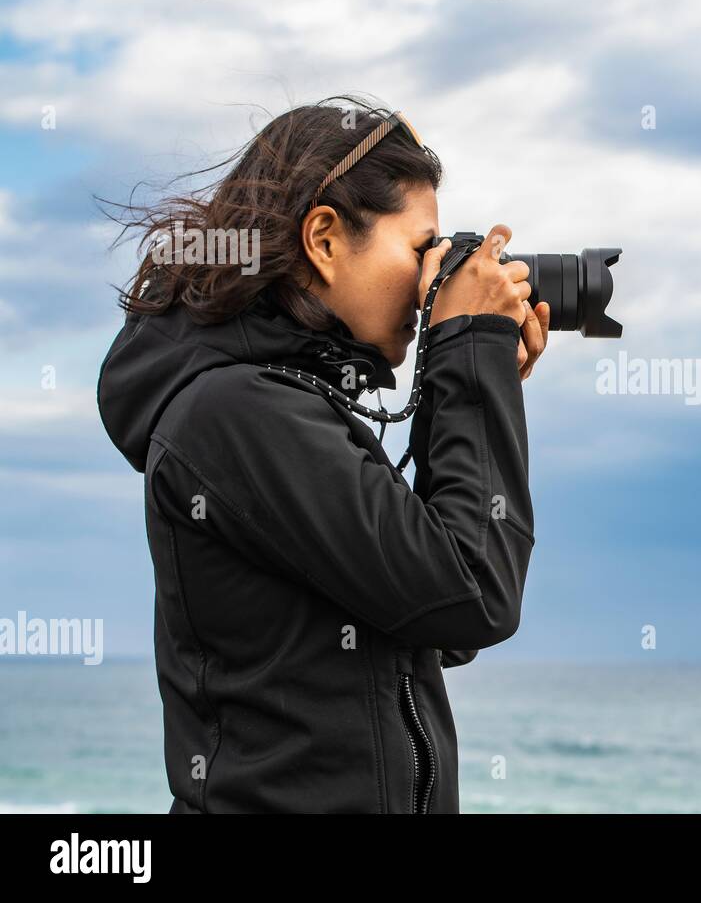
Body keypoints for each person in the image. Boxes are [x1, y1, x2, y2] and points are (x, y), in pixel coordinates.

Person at [96, 95, 548, 812]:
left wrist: (471, 379)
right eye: (420, 248)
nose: (433, 277)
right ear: (325, 239)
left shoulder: (278, 403)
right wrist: (467, 362)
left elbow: (424, 615)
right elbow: (470, 596)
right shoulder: (239, 414)